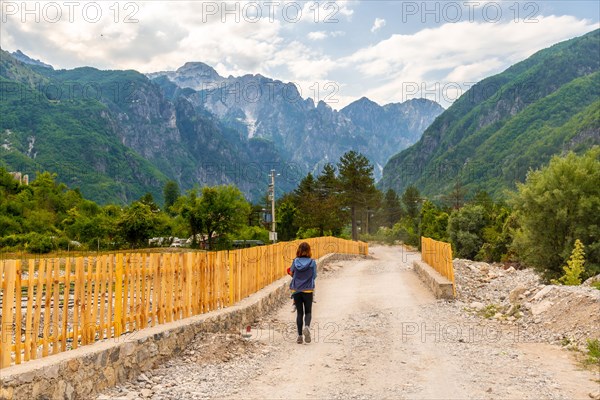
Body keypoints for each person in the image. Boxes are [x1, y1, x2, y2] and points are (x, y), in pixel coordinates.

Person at [289, 242, 317, 344]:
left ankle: (300, 336)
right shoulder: (312, 262)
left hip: (296, 290)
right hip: (308, 290)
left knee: (299, 313)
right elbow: (314, 276)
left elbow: (291, 272)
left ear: (299, 250)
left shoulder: (295, 261)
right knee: (308, 311)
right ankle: (307, 327)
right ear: (309, 250)